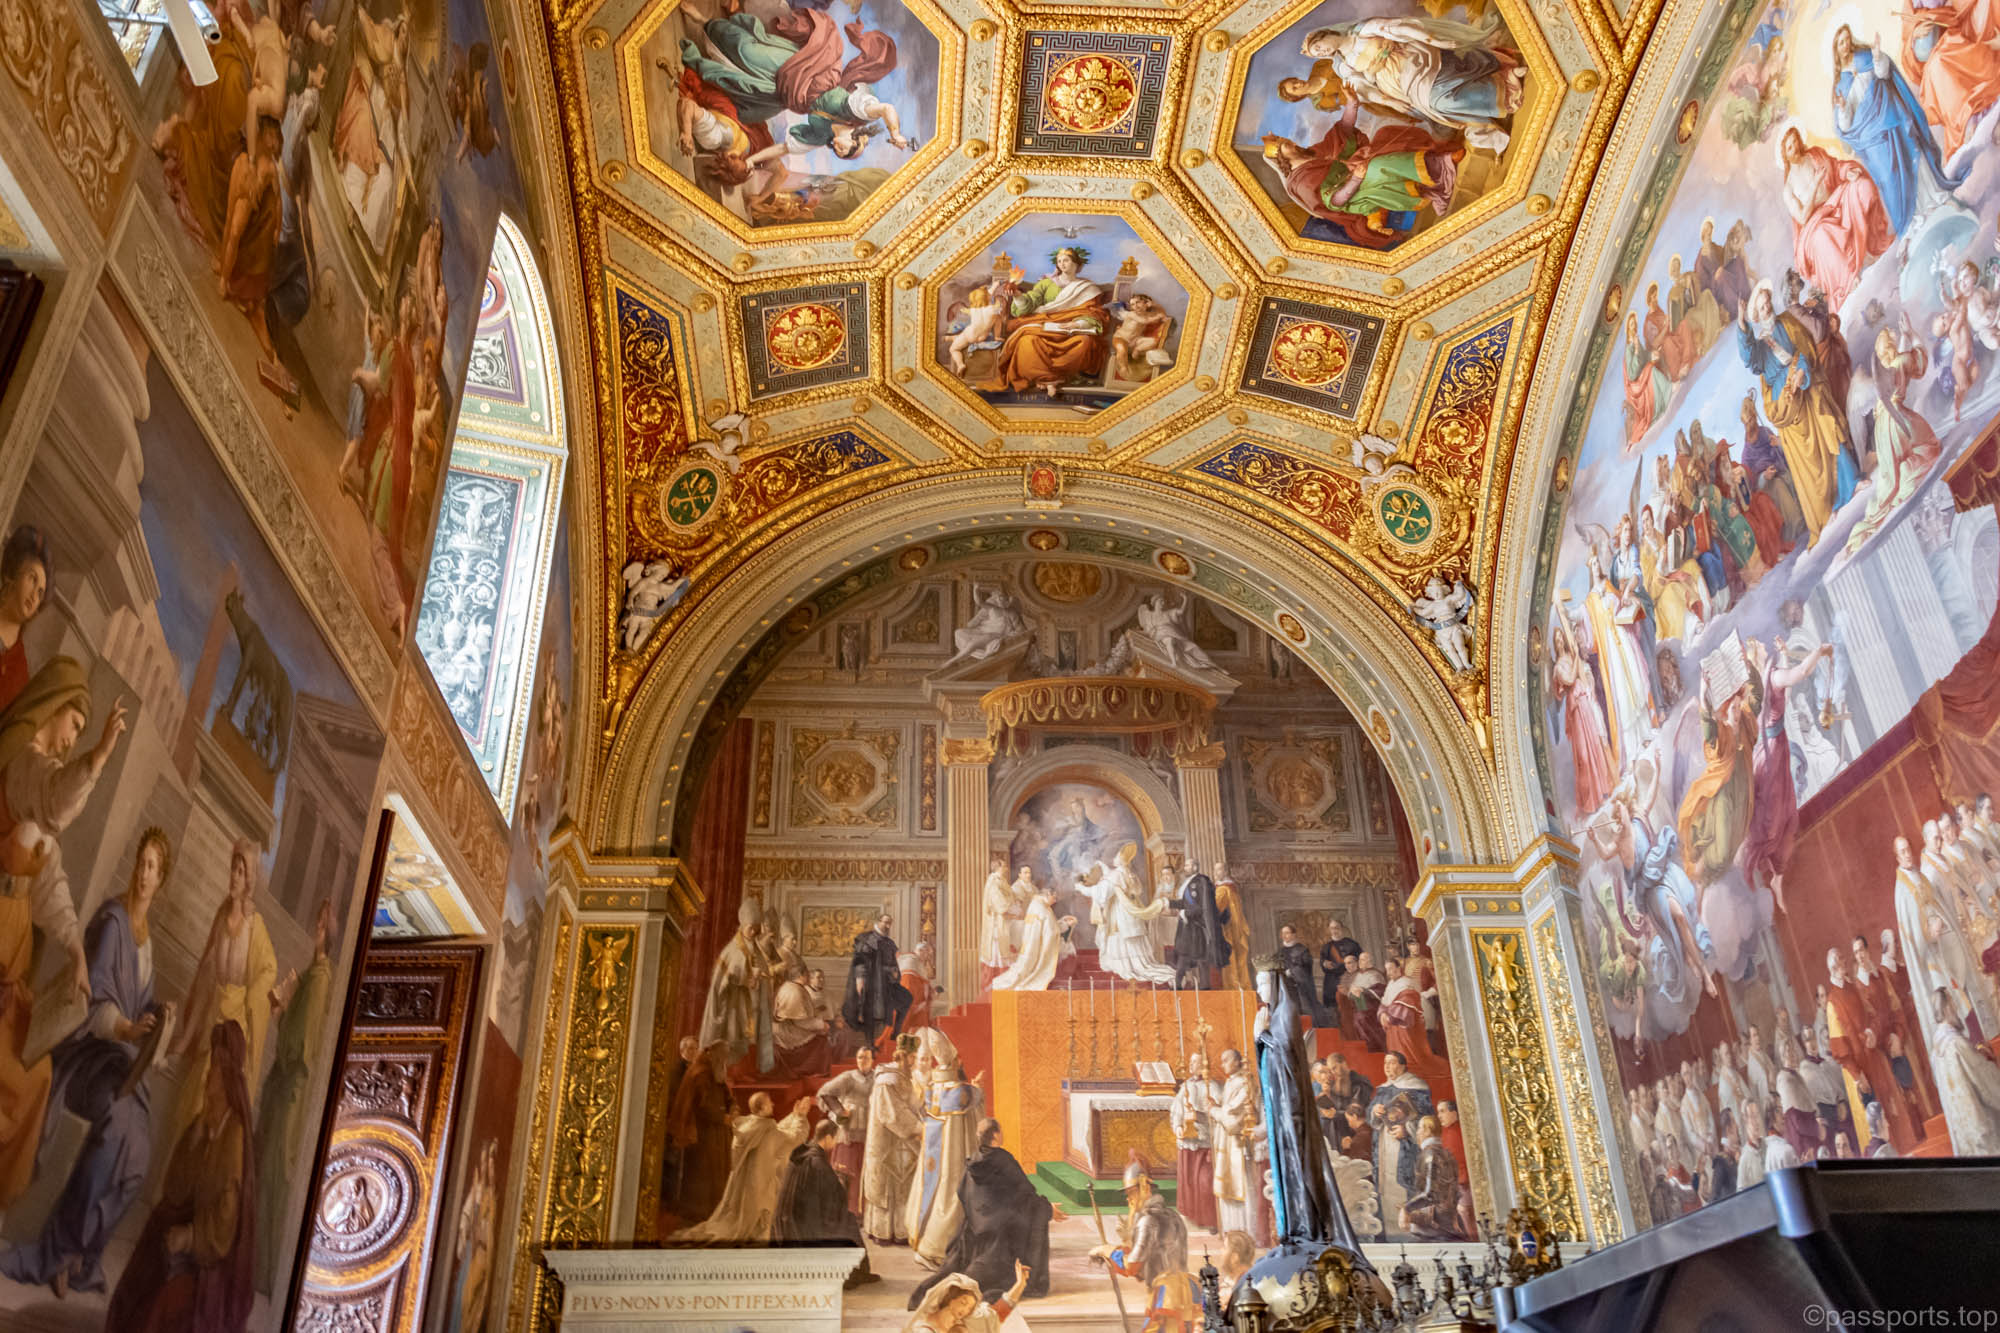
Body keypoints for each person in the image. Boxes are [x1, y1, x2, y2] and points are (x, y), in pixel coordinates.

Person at [0, 829, 174, 1296]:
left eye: (153, 867)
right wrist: (125, 1029)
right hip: (86, 1059)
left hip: (118, 1066)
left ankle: (84, 1253)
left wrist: (156, 1020)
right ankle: (59, 1250)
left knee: (140, 1150)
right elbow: (91, 1002)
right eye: (141, 862)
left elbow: (139, 1008)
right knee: (118, 1126)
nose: (143, 873)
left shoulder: (147, 945)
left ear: (162, 880)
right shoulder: (113, 922)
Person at [0, 658, 119, 1202]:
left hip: (13, 950)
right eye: (74, 725)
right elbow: (53, 800)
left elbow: (50, 885)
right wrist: (97, 758)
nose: (73, 739)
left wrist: (75, 951)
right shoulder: (22, 763)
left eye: (80, 733)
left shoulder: (40, 779)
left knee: (38, 1076)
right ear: (54, 708)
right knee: (20, 1081)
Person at [103, 1020, 255, 1333]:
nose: (208, 1075)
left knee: (169, 1302)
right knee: (154, 1234)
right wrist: (197, 1137)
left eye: (215, 1069)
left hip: (213, 1264)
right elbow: (175, 1189)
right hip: (190, 1240)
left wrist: (190, 1237)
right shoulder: (204, 1123)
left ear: (227, 1078)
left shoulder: (234, 1136)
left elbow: (225, 1223)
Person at [164, 838, 277, 1149]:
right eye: (233, 869)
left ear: (249, 879)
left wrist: (251, 998)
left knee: (213, 1103)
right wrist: (186, 1038)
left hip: (235, 1027)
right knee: (191, 1104)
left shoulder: (255, 926)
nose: (235, 876)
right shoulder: (220, 916)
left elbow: (269, 969)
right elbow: (206, 981)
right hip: (213, 1017)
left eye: (241, 872)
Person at [1254, 961, 1369, 1254]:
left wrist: (1262, 1036)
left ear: (1276, 984)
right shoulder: (1271, 1016)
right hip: (1282, 1107)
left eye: (1263, 984)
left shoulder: (1285, 1013)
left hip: (1292, 1107)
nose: (1259, 990)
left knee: (1299, 1164)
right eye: (1257, 985)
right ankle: (1296, 1229)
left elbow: (1287, 1055)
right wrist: (1261, 1039)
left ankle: (1308, 1228)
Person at [253, 895, 335, 1292]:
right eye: (318, 920)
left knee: (275, 1174)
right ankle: (258, 1267)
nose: (316, 927)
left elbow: (301, 1048)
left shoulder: (320, 981)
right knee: (266, 1169)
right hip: (286, 1086)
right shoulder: (313, 974)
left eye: (322, 923)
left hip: (293, 1092)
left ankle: (265, 1272)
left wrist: (281, 1013)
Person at [1295, 13, 1525, 152]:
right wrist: (1389, 101)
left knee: (1439, 101)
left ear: (1325, 35)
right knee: (1435, 106)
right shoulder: (1342, 66)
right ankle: (1498, 92)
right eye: (1317, 54)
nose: (1321, 52)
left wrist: (1434, 40)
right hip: (1400, 88)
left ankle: (1505, 81)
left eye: (1318, 47)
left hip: (1416, 61)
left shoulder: (1361, 30)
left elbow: (1403, 28)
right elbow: (1364, 90)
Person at [908, 1118, 1052, 1309]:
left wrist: (981, 1214)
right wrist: (1047, 1208)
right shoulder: (1004, 1160)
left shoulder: (973, 1159)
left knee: (959, 1272)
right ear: (996, 1135)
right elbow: (1025, 1193)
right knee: (1034, 1215)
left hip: (975, 1229)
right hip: (1001, 1233)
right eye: (1000, 1131)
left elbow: (962, 1192)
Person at [1830, 25, 1957, 236]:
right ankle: (1913, 217)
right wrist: (1842, 108)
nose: (1845, 45)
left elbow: (1884, 74)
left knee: (1913, 152)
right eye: (1840, 42)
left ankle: (1935, 198)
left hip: (1891, 116)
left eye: (1846, 39)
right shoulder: (1839, 86)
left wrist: (1877, 56)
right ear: (1835, 48)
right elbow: (1845, 125)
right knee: (1891, 176)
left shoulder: (1865, 56)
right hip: (1873, 139)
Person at [673, 1090, 814, 1242]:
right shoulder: (767, 1131)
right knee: (759, 1220)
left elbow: (779, 1132)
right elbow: (792, 1138)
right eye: (769, 1103)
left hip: (744, 1182)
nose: (773, 1104)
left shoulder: (748, 1125)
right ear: (763, 1108)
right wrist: (800, 1117)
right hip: (759, 1182)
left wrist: (793, 1115)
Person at [1777, 127, 1892, 312]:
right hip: (1814, 224)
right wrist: (1815, 184)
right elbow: (1803, 217)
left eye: (1796, 141)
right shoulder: (1788, 188)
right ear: (1785, 155)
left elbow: (1836, 166)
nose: (1795, 148)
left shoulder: (1815, 155)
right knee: (1822, 236)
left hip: (1836, 201)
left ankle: (1872, 247)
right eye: (1790, 147)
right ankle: (1847, 281)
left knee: (1862, 187)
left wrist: (1847, 172)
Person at [976, 247, 1113, 400]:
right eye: (1059, 261)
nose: (1062, 264)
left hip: (1071, 330)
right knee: (1027, 341)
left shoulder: (1088, 288)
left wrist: (1078, 324)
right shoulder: (1046, 284)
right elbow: (1029, 303)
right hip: (1044, 325)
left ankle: (1050, 377)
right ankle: (1047, 379)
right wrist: (1018, 295)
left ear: (1077, 265)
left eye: (1066, 260)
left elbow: (1094, 312)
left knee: (1085, 342)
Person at [1088, 1157, 1199, 1333]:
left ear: (1143, 1189)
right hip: (1187, 1289)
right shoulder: (1172, 1215)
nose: (1128, 1200)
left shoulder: (1147, 1221)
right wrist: (1126, 1241)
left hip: (1168, 1294)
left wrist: (1107, 1251)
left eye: (1131, 1193)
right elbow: (1145, 1262)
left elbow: (1132, 1266)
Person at [907, 1032, 985, 1267]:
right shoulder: (959, 1089)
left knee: (934, 1193)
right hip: (954, 1153)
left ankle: (926, 1245)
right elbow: (975, 1105)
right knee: (951, 1196)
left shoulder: (933, 1086)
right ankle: (933, 1250)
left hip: (934, 1152)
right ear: (954, 1061)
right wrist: (978, 1088)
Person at [776, 1120, 874, 1286]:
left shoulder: (803, 1151)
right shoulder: (817, 1162)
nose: (835, 1143)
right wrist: (842, 1182)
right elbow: (834, 1198)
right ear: (828, 1137)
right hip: (809, 1223)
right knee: (848, 1222)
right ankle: (855, 1272)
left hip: (794, 1218)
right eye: (835, 1139)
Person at [1902, 0, 2000, 158]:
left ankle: (1965, 132)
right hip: (1960, 47)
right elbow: (1944, 14)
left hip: (1991, 58)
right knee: (1937, 64)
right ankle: (1961, 132)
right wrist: (1915, 32)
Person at [664, 1042, 734, 1224]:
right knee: (703, 1173)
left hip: (715, 1132)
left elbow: (725, 1094)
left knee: (715, 1171)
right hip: (702, 1134)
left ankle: (713, 1210)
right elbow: (701, 1107)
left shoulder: (713, 1072)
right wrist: (722, 1117)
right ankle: (698, 1213)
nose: (725, 1062)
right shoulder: (701, 1073)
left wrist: (732, 1106)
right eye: (724, 1058)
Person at [1086, 845, 1176, 984]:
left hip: (1120, 910)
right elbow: (1136, 891)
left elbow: (1103, 894)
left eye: (1117, 856)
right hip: (1129, 910)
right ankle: (1137, 963)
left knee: (1120, 935)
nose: (1115, 858)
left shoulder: (1116, 874)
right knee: (1130, 937)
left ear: (1122, 859)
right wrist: (1104, 869)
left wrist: (1086, 888)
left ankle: (1124, 964)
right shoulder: (1129, 874)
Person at [864, 1033, 923, 1243]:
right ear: (903, 1056)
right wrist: (919, 1128)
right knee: (888, 1189)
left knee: (903, 1185)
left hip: (900, 1143)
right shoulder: (887, 1081)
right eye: (912, 1057)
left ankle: (901, 1232)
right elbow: (892, 1114)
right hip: (886, 1145)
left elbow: (912, 1105)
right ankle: (885, 1232)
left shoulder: (902, 1077)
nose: (914, 1062)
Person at [1928, 989, 2000, 1153]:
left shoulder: (1936, 1052)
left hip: (1963, 1131)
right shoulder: (1956, 1044)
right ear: (1946, 1008)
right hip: (1981, 1126)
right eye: (1953, 1003)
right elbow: (1985, 1080)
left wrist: (1977, 1052)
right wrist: (1988, 1058)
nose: (1956, 1008)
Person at [816, 1044, 876, 1214]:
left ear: (872, 1060)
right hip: (848, 1134)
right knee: (847, 1174)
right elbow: (825, 1093)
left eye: (866, 1058)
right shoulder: (848, 1077)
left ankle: (863, 1214)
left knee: (867, 1175)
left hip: (869, 1134)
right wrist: (840, 1111)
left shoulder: (877, 1078)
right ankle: (845, 1214)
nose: (863, 1061)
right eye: (860, 1057)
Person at [844, 912, 913, 1048]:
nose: (887, 926)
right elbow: (860, 961)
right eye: (885, 922)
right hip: (872, 981)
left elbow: (893, 962)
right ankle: (870, 1044)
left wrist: (895, 973)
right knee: (871, 1012)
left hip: (887, 982)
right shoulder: (866, 939)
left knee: (906, 998)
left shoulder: (889, 943)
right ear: (878, 922)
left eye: (889, 923)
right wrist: (860, 979)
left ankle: (895, 1034)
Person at [1211, 1048, 1260, 1237]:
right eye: (1222, 1060)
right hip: (1227, 1143)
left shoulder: (1245, 1083)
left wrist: (1214, 1111)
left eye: (1226, 1060)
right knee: (1228, 1189)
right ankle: (1231, 1231)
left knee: (1243, 1187)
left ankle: (1247, 1233)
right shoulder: (1231, 1082)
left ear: (1238, 1062)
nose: (1222, 1064)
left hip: (1239, 1145)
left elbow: (1233, 1120)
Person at [1170, 1050, 1220, 1232]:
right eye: (1190, 1062)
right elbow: (1176, 1110)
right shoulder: (1186, 1085)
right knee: (1189, 1182)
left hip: (1204, 1142)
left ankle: (1210, 1220)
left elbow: (1218, 1114)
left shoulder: (1213, 1087)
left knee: (1204, 1182)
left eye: (1195, 1062)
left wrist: (1199, 1116)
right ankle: (1191, 1217)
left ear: (1204, 1064)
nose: (1191, 1065)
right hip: (1188, 1140)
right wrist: (1178, 1126)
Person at [905, 1262, 1033, 1333]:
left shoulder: (965, 1321)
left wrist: (1020, 1284)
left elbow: (996, 1314)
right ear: (950, 1297)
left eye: (970, 1308)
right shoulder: (925, 1329)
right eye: (963, 1302)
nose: (966, 1310)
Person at [991, 882, 1073, 991]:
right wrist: (1066, 925)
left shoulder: (1036, 904)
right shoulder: (1043, 910)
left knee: (1024, 967)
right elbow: (1051, 932)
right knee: (1068, 950)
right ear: (1048, 894)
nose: (1055, 901)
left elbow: (1049, 927)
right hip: (1037, 947)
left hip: (1032, 944)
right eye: (1054, 897)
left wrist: (1062, 923)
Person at [0, 526, 48, 713]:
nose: (34, 595)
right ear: (14, 574)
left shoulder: (19, 672)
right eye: (32, 579)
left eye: (40, 593)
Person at [1400, 1115, 1469, 1240]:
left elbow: (1431, 1193)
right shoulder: (1445, 1153)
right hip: (1448, 1220)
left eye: (1420, 1128)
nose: (1417, 1132)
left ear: (1427, 1131)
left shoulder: (1430, 1155)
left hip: (1435, 1224)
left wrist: (1407, 1208)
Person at [1380, 956, 1448, 1078]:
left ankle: (1409, 1066)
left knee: (1410, 1053)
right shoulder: (1390, 984)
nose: (1388, 972)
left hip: (1406, 1024)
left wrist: (1392, 1016)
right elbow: (1384, 1002)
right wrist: (1383, 1014)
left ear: (1398, 968)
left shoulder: (1407, 982)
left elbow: (1408, 1000)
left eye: (1391, 969)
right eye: (1387, 970)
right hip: (1393, 1024)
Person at [1169, 868, 1228, 991]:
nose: (1185, 868)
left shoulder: (1200, 883)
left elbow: (1201, 908)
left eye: (1188, 865)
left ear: (1194, 868)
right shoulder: (1190, 885)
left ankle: (1203, 986)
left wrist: (1186, 913)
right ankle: (1179, 985)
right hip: (1188, 928)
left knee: (1198, 957)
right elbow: (1185, 903)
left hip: (1197, 928)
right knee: (1188, 956)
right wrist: (1169, 903)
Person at [1276, 923, 1330, 1026]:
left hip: (1302, 986)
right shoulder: (1280, 951)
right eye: (1283, 933)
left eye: (1287, 933)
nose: (1284, 935)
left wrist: (1292, 971)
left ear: (1294, 935)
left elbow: (1307, 966)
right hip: (1286, 986)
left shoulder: (1302, 950)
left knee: (1306, 1009)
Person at [1212, 866, 1253, 990]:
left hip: (1228, 929)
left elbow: (1215, 910)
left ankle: (1233, 989)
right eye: (1215, 870)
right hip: (1235, 928)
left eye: (1219, 870)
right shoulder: (1230, 888)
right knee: (1238, 958)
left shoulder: (1223, 889)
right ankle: (1242, 988)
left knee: (1231, 960)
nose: (1216, 873)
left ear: (1226, 871)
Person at [1346, 951, 1388, 1050]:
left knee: (1362, 1018)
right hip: (1359, 1005)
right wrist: (1353, 992)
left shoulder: (1376, 974)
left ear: (1370, 962)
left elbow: (1381, 991)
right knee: (1357, 1019)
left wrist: (1364, 991)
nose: (1360, 962)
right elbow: (1350, 990)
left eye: (1363, 960)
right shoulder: (1357, 975)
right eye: (1360, 960)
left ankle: (1375, 1048)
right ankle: (1367, 1048)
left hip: (1372, 1007)